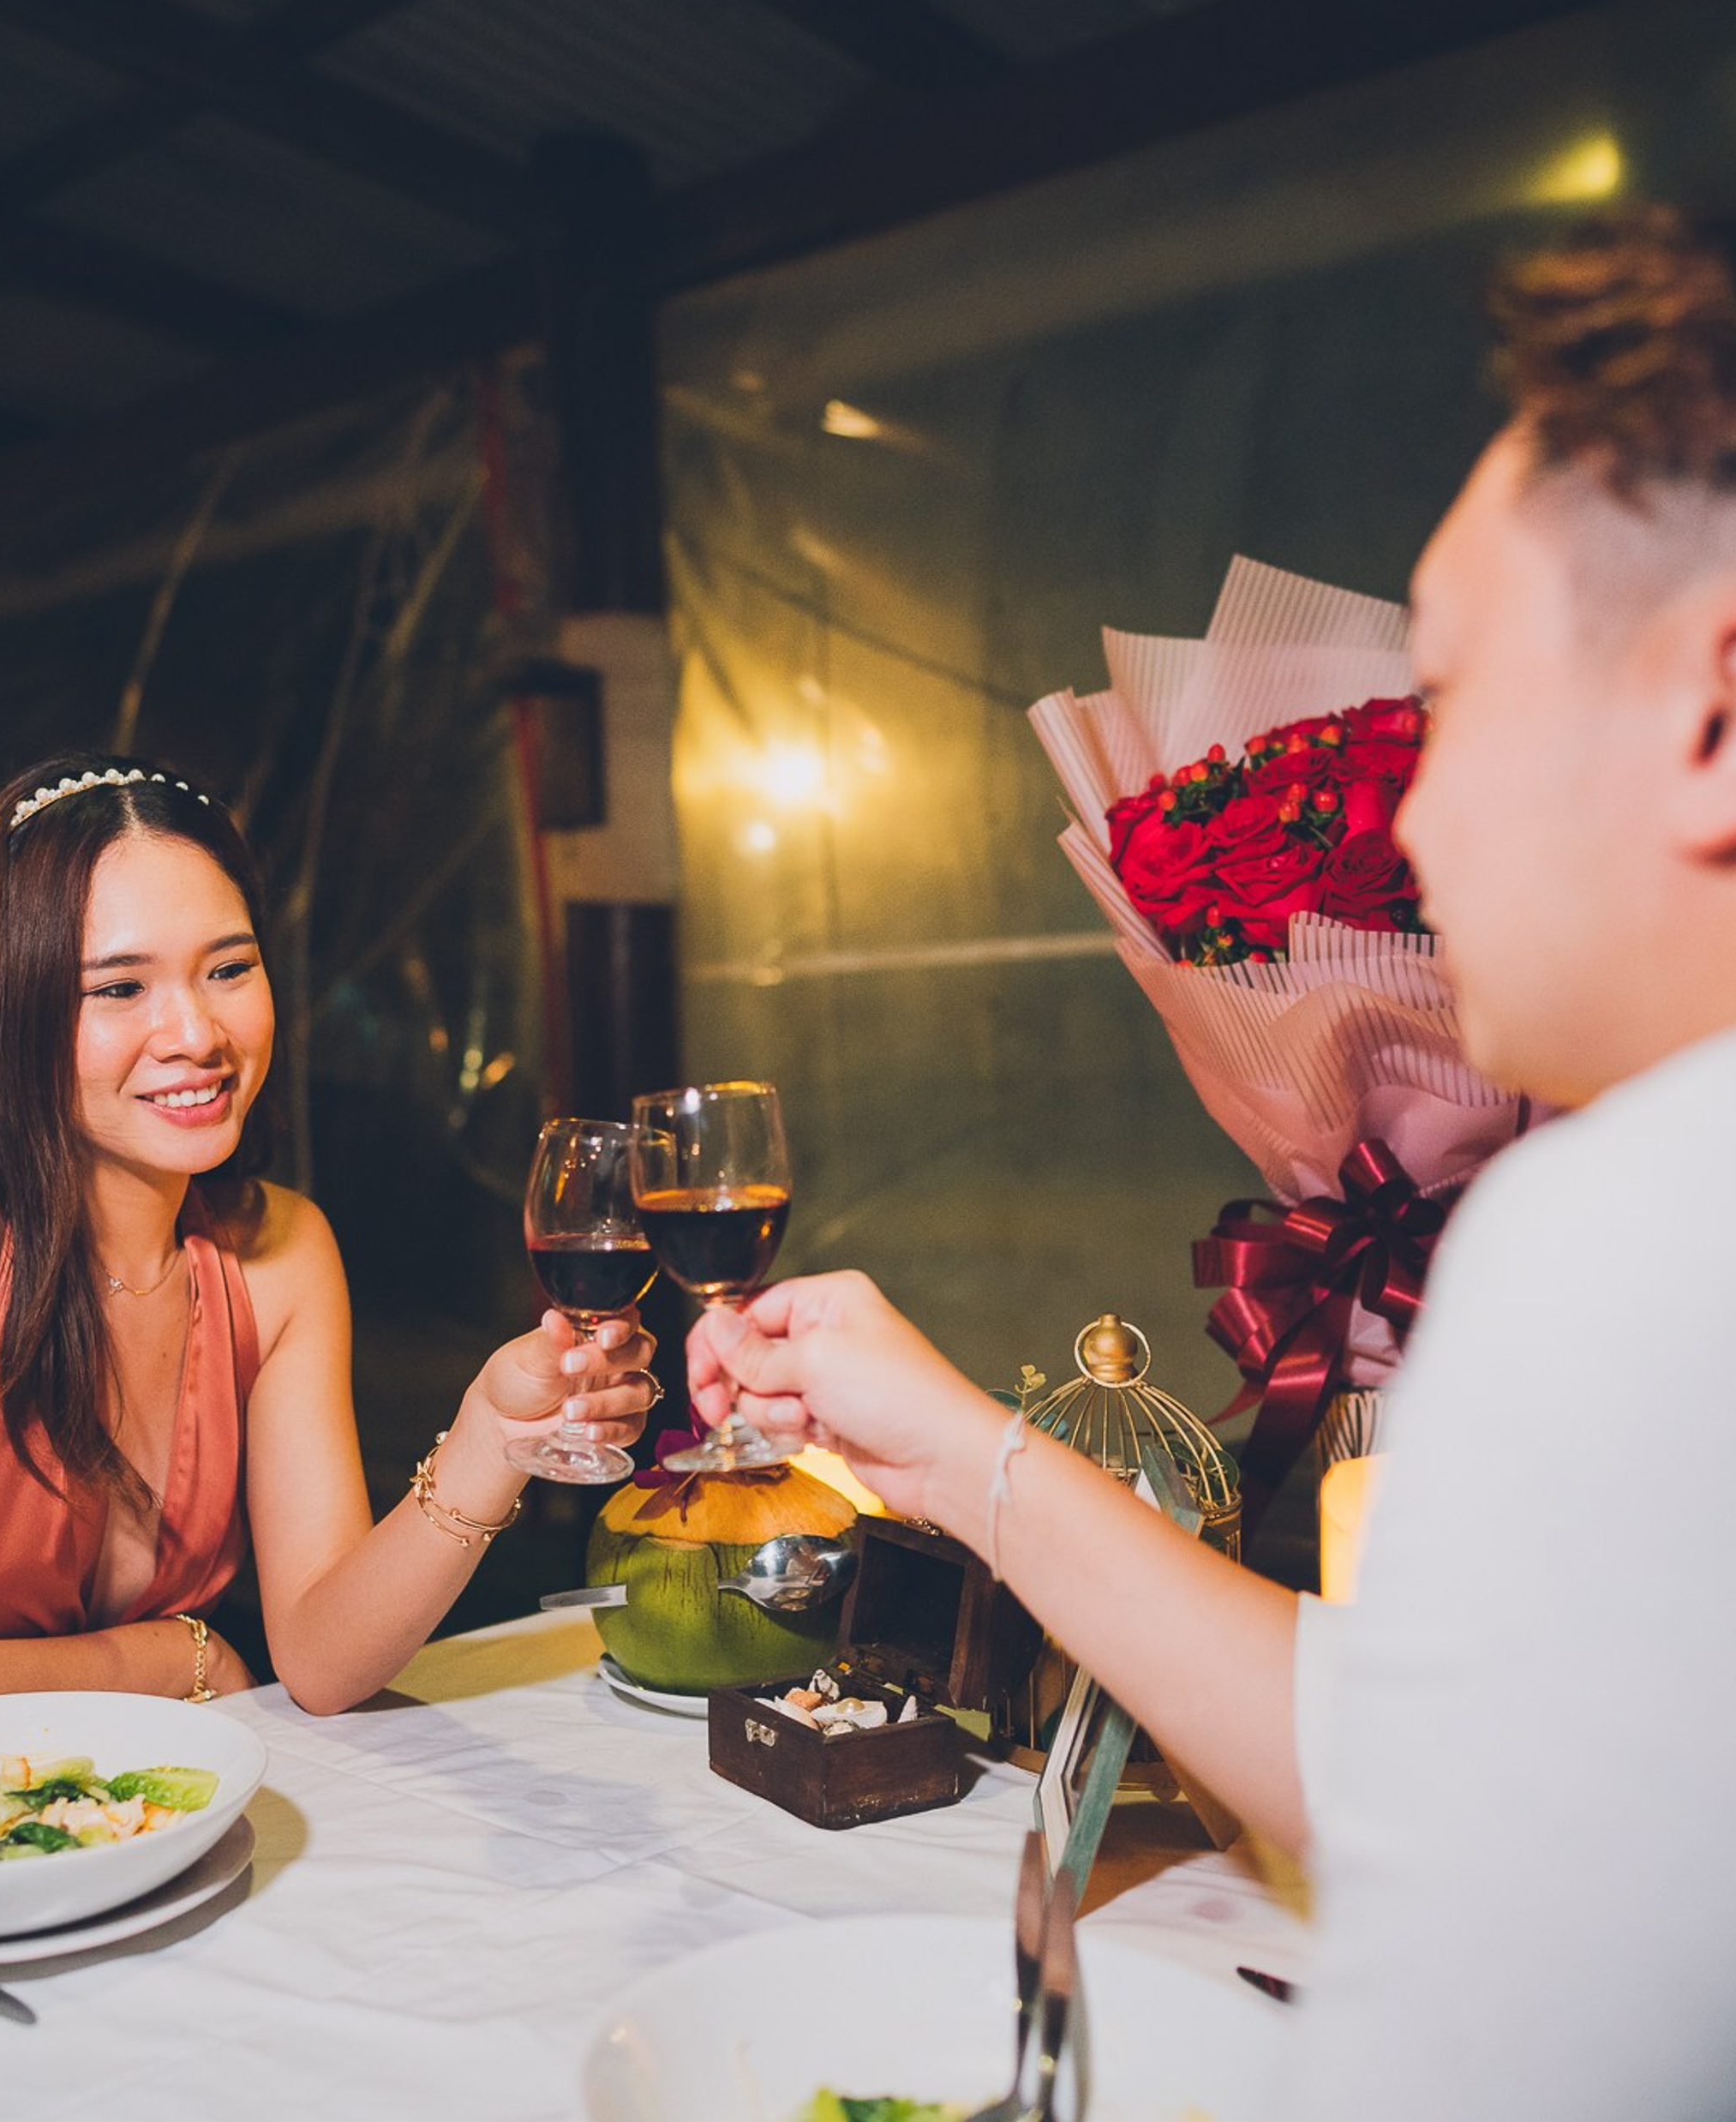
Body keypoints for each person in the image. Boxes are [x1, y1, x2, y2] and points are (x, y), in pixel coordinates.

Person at [687, 207, 1736, 2119]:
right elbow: (1414, 1751)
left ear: (1711, 708)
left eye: (1454, 702)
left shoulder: (1625, 1226)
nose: (1402, 809)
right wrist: (949, 1441)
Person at [0, 756, 655, 1832]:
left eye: (227, 969)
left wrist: (489, 1437)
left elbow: (325, 1663)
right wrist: (172, 1654)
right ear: (13, 1007)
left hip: (107, 1826)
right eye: (120, 987)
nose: (195, 1033)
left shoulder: (278, 1250)